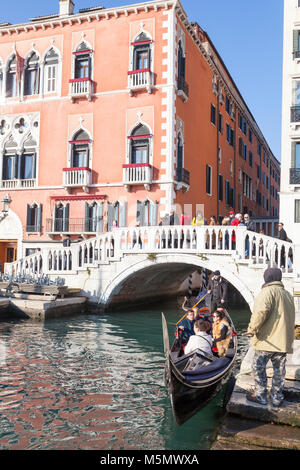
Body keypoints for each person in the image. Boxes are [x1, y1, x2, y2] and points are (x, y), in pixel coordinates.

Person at [244, 268, 295, 408]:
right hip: (282, 341)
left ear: (267, 278)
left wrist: (251, 329)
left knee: (258, 367)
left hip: (267, 340)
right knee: (279, 370)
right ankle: (277, 398)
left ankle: (260, 395)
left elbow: (261, 312)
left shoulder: (266, 292)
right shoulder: (288, 295)